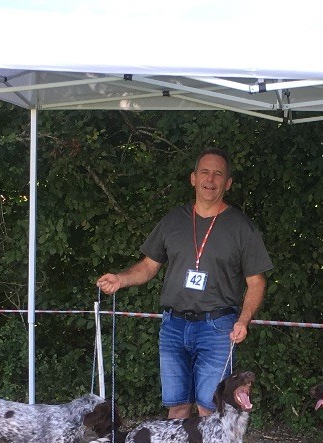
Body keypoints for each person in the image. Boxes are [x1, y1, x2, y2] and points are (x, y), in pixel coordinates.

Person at [96, 147, 273, 419]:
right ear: (193, 178)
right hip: (173, 326)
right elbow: (147, 266)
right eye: (205, 172)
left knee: (210, 408)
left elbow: (257, 282)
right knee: (176, 406)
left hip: (217, 328)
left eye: (218, 174)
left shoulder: (241, 227)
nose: (210, 180)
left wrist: (244, 320)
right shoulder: (173, 221)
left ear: (228, 183)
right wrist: (120, 279)